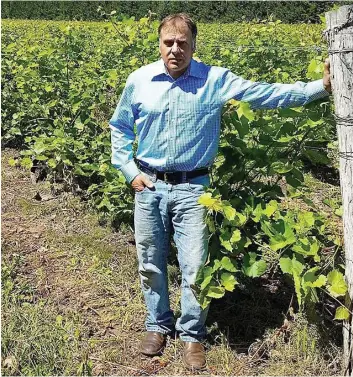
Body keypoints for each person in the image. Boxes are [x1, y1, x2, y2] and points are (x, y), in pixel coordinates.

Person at [109, 13, 331, 370]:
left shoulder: (215, 80)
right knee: (150, 262)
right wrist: (128, 169)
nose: (175, 49)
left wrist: (318, 87)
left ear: (194, 45)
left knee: (196, 266)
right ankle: (157, 323)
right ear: (159, 44)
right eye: (169, 42)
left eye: (183, 43)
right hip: (148, 185)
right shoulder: (139, 81)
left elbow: (267, 94)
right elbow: (119, 126)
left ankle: (192, 334)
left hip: (194, 189)